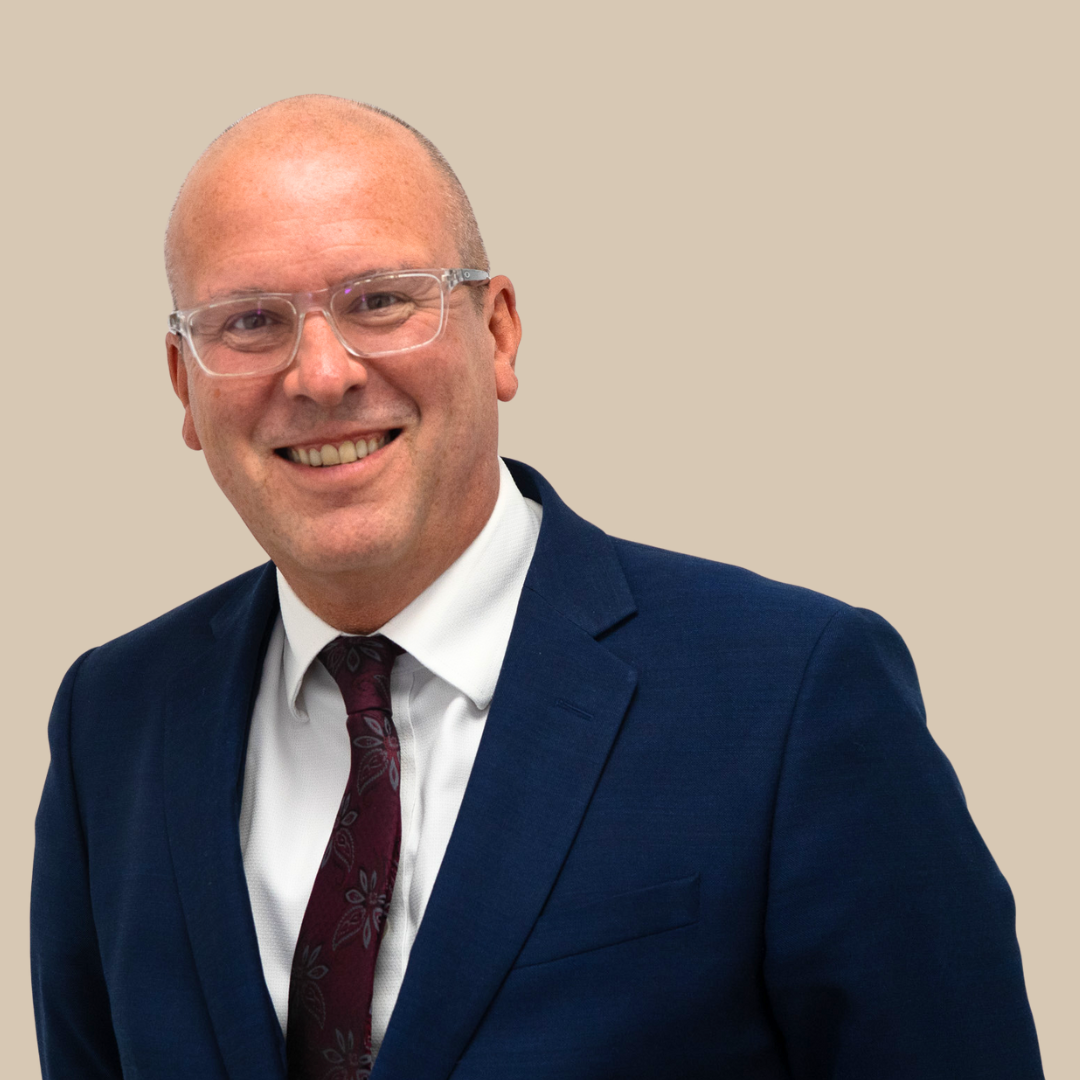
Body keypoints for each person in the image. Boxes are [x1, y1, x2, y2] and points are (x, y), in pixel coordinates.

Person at [30, 95, 1044, 1080]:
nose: (323, 374)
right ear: (185, 387)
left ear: (500, 331)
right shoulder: (112, 724)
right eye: (250, 321)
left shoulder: (795, 698)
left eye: (380, 299)